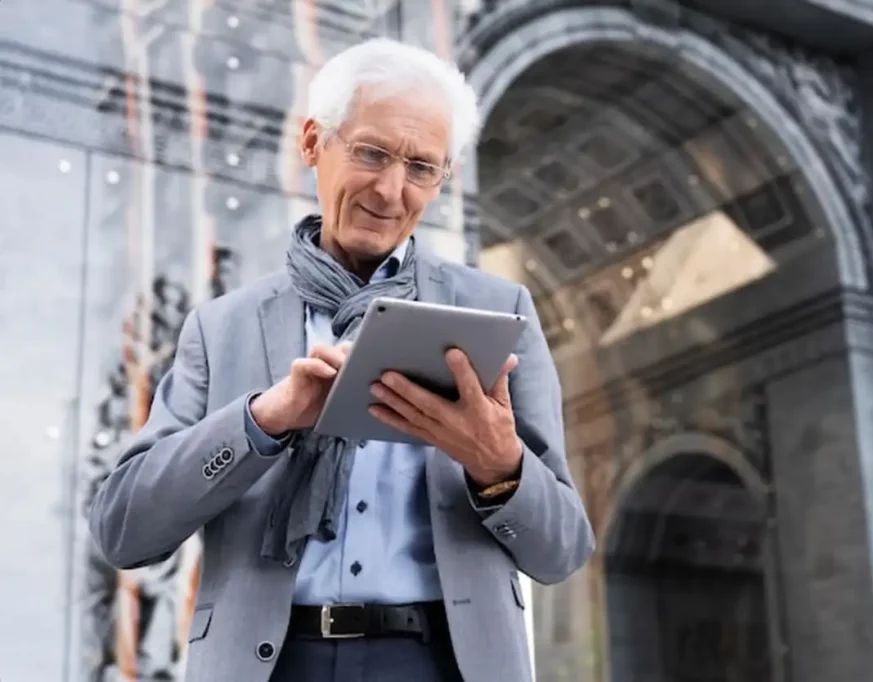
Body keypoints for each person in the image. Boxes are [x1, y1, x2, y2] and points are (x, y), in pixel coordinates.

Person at [88, 37, 595, 682]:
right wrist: (263, 421)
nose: (390, 190)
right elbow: (124, 530)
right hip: (269, 665)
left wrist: (500, 466)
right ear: (312, 143)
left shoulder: (499, 313)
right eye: (372, 153)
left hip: (439, 664)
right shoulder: (220, 329)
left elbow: (562, 552)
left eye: (421, 167)